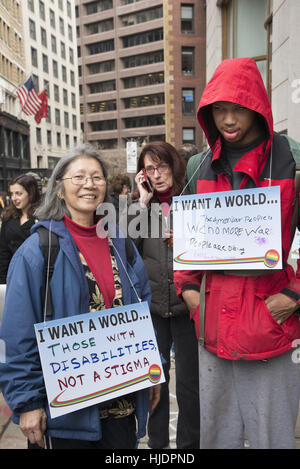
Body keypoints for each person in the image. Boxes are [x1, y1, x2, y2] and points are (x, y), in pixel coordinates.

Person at [174, 57, 300, 449]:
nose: (228, 119)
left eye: (238, 108)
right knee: (215, 438)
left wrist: (294, 296)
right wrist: (191, 295)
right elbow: (185, 242)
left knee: (272, 440)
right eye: (219, 109)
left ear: (257, 106)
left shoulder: (291, 163)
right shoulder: (198, 167)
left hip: (271, 329)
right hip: (212, 330)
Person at [0, 143, 160, 449]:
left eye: (97, 177)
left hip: (120, 408)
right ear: (59, 189)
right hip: (65, 418)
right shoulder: (37, 253)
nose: (89, 184)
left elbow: (143, 312)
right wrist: (26, 401)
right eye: (79, 177)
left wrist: (155, 368)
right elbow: (16, 334)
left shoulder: (120, 244)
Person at [132, 141, 200, 449]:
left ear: (174, 165)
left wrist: (187, 241)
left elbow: (214, 249)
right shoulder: (140, 206)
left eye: (162, 167)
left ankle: (189, 447)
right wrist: (142, 204)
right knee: (154, 384)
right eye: (150, 169)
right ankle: (157, 446)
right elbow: (125, 251)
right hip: (154, 310)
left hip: (187, 308)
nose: (157, 175)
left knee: (189, 388)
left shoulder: (194, 198)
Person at [0, 174, 41, 284]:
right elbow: (3, 251)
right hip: (12, 276)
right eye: (12, 194)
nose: (14, 198)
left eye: (18, 193)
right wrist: (3, 280)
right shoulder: (8, 217)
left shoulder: (42, 218)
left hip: (36, 276)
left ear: (30, 193)